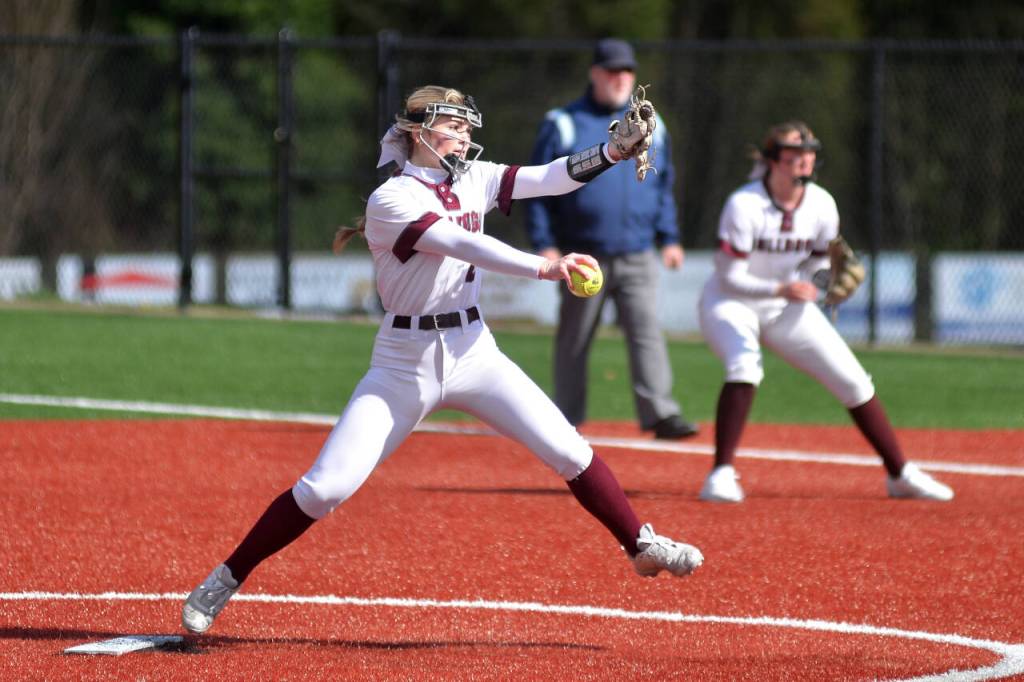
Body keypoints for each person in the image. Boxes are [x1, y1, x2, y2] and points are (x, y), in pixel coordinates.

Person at [181, 85, 704, 635]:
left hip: (473, 348)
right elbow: (463, 246)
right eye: (454, 126)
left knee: (567, 447)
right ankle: (226, 577)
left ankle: (639, 544)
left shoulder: (472, 178)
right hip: (404, 361)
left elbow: (550, 177)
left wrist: (613, 152)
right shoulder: (392, 199)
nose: (466, 135)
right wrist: (543, 267)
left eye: (467, 126)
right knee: (324, 489)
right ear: (417, 133)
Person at [696, 120, 955, 503]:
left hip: (787, 306)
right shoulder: (744, 204)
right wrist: (783, 288)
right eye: (793, 153)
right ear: (772, 160)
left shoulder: (821, 204)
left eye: (810, 151)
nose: (804, 160)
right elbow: (729, 275)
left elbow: (816, 268)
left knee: (853, 380)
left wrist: (824, 286)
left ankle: (900, 473)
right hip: (730, 302)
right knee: (745, 365)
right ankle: (719, 474)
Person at [525, 38, 698, 440]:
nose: (620, 78)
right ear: (595, 74)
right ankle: (564, 417)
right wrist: (544, 242)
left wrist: (669, 237)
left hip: (638, 250)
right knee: (575, 336)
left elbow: (662, 184)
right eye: (612, 70)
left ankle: (661, 412)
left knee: (646, 330)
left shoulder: (652, 124)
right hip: (581, 251)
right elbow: (536, 185)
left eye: (627, 71)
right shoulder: (563, 122)